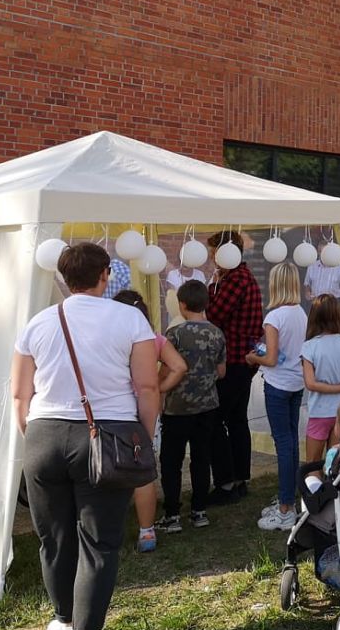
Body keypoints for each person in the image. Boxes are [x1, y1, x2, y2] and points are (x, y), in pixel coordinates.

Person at [12, 242, 159, 630]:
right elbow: (146, 386)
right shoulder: (129, 318)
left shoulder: (38, 322)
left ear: (62, 276)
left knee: (54, 539)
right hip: (108, 434)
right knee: (99, 543)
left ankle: (64, 622)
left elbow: (20, 393)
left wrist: (33, 436)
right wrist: (143, 437)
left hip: (43, 434)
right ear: (104, 275)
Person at [110, 290, 187, 553]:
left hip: (113, 409)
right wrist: (160, 388)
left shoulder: (108, 337)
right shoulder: (154, 339)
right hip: (148, 408)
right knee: (142, 470)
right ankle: (147, 532)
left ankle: (110, 528)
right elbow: (179, 366)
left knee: (109, 468)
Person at [156, 281, 225, 536]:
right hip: (207, 407)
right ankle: (199, 511)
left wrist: (158, 390)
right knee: (201, 458)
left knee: (171, 461)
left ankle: (172, 514)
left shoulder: (174, 334)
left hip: (177, 408)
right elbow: (221, 371)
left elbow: (166, 369)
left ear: (182, 305)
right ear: (205, 304)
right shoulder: (217, 333)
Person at [204, 230, 263, 506]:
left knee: (216, 420)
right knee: (238, 420)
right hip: (243, 359)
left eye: (214, 252)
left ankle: (226, 483)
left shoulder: (235, 280)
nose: (212, 258)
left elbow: (213, 314)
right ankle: (240, 480)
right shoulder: (244, 277)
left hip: (233, 360)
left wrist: (211, 287)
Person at [257, 264, 308, 532]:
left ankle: (286, 508)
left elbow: (271, 358)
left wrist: (252, 357)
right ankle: (288, 497)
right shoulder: (300, 312)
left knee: (284, 444)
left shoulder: (274, 317)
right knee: (291, 441)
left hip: (277, 384)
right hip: (296, 382)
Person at [300, 295, 340, 486]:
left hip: (319, 411)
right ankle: (336, 498)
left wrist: (333, 387)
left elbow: (310, 383)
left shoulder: (309, 347)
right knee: (337, 463)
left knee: (312, 465)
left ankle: (313, 498)